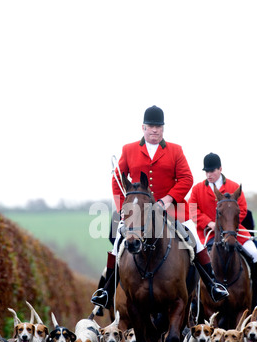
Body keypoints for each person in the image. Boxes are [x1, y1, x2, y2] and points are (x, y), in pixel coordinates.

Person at [91, 106, 228, 313]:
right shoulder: (129, 149)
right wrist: (124, 210)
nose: (155, 130)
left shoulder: (175, 150)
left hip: (171, 209)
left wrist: (168, 198)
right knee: (118, 243)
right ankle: (106, 291)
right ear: (143, 128)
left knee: (194, 238)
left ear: (163, 129)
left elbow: (186, 178)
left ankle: (213, 284)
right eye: (151, 127)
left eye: (158, 127)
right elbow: (117, 180)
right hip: (136, 211)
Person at [188, 152, 257, 305]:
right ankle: (193, 299)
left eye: (212, 171)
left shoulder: (233, 187)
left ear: (220, 169)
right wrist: (208, 222)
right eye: (206, 171)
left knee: (254, 254)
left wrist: (229, 224)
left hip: (234, 231)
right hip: (208, 233)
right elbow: (192, 211)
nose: (209, 174)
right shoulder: (197, 189)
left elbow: (242, 209)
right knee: (192, 258)